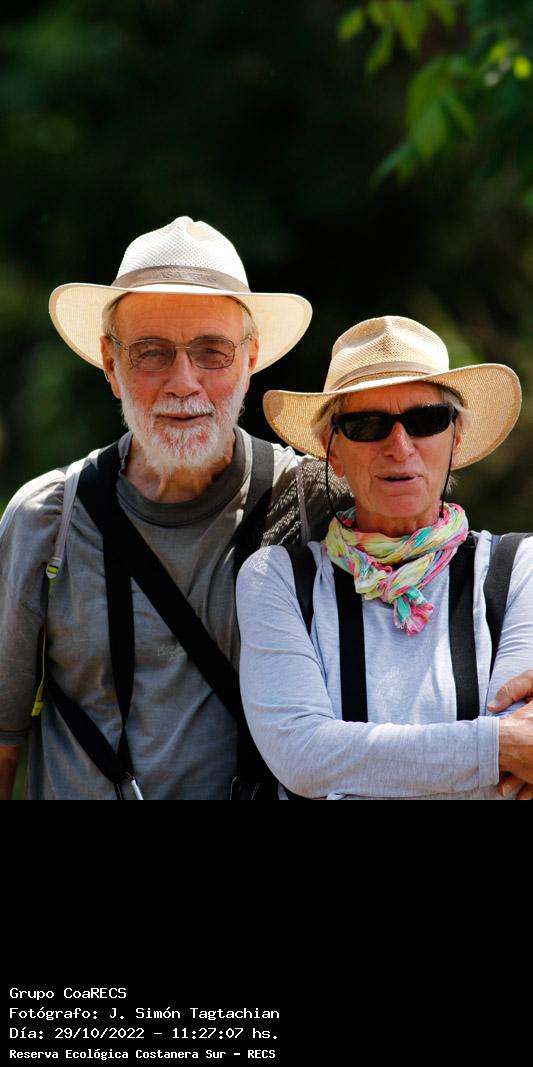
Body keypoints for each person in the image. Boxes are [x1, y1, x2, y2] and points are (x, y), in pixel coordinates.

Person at [0, 215, 348, 800]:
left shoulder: (314, 503)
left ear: (250, 360)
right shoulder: (46, 520)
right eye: (151, 353)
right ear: (111, 365)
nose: (183, 383)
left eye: (212, 352)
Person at [236, 315, 533, 800]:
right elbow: (303, 757)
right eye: (367, 425)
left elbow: (521, 768)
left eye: (425, 421)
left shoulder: (519, 569)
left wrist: (357, 762)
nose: (399, 446)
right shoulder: (277, 579)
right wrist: (493, 745)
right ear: (333, 452)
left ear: (456, 438)